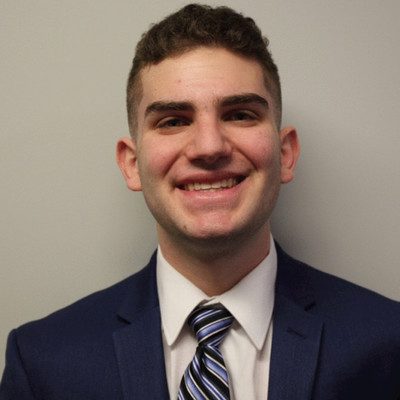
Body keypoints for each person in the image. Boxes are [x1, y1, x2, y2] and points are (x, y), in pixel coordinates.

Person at [1, 4, 399, 399]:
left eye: (239, 115)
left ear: (286, 154)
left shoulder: (389, 344)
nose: (209, 147)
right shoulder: (42, 363)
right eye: (173, 121)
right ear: (132, 164)